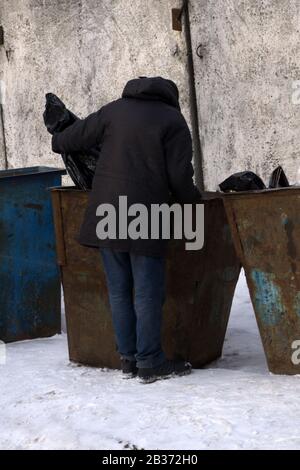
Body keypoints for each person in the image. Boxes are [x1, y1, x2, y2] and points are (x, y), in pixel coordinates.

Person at [52, 76, 202, 383]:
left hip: (106, 212)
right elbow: (179, 176)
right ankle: (150, 362)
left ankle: (128, 360)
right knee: (147, 291)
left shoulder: (114, 111)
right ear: (169, 97)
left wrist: (58, 135)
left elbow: (69, 140)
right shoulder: (173, 120)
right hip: (147, 213)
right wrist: (193, 201)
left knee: (119, 290)